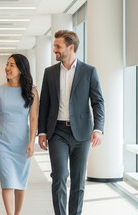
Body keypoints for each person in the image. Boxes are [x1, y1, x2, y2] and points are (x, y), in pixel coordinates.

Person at [38, 30, 105, 215]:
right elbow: (44, 103)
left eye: (58, 46)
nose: (54, 50)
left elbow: (98, 102)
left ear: (71, 47)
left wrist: (99, 129)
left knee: (78, 181)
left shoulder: (89, 71)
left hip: (82, 133)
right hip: (57, 132)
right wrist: (41, 132)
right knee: (59, 177)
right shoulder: (50, 72)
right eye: (54, 46)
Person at [0, 54, 39, 215]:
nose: (7, 68)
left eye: (12, 65)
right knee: (7, 182)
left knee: (20, 183)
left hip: (22, 143)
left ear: (21, 69)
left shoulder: (32, 91)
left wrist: (31, 142)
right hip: (2, 143)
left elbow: (34, 117)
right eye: (7, 64)